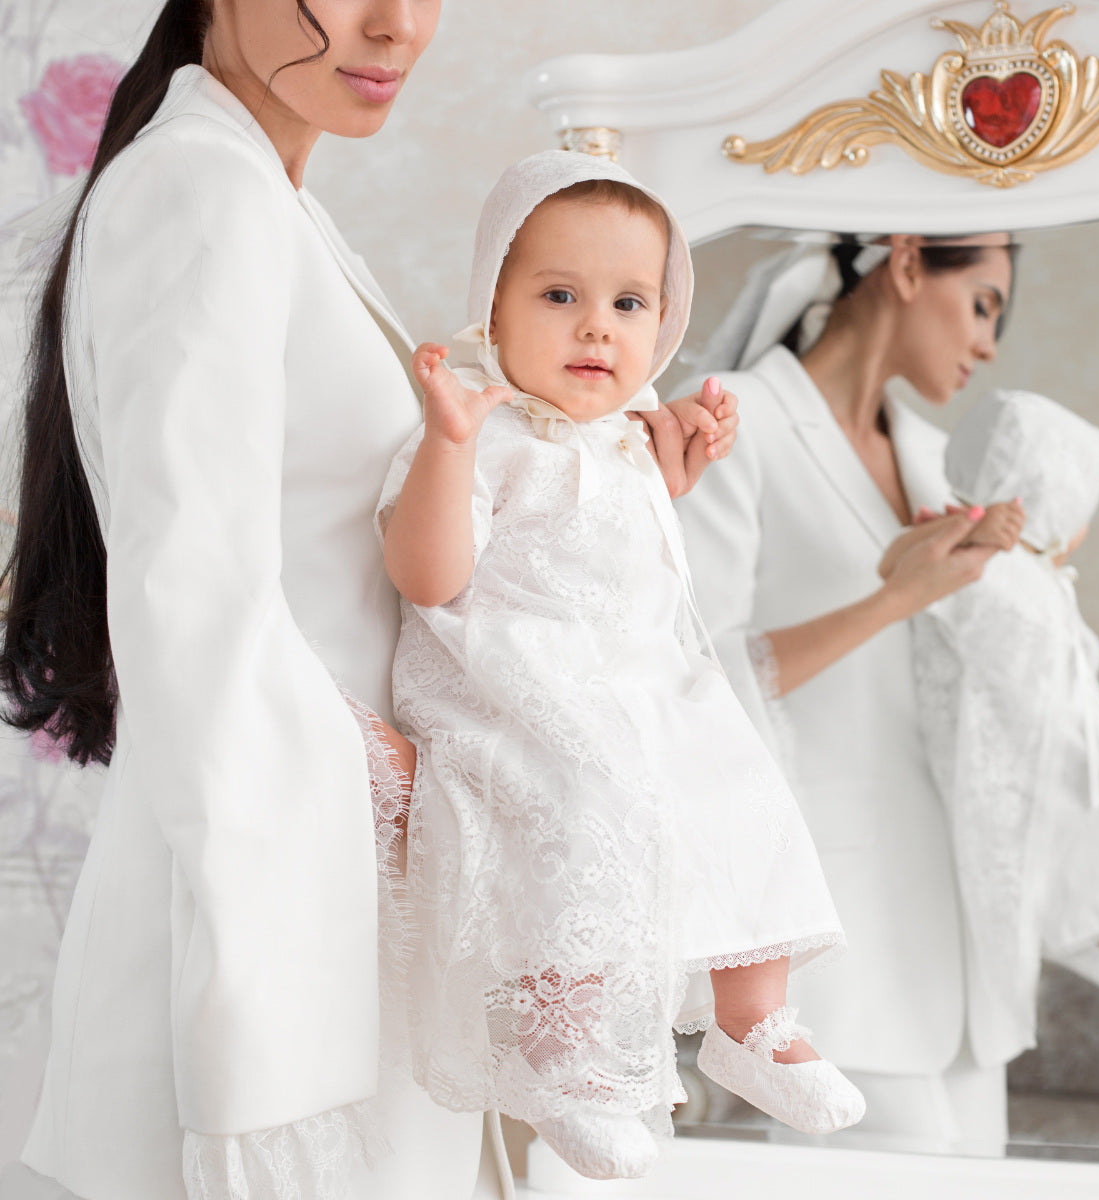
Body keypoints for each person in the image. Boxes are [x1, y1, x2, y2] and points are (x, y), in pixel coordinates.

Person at [0, 4, 735, 1197]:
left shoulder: (268, 198)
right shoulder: (204, 190)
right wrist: (398, 776)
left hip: (345, 874)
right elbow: (188, 586)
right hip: (286, 874)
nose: (396, 25)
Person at [376, 150, 864, 1183]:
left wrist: (678, 469)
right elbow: (428, 576)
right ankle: (564, 1060)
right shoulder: (483, 432)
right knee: (586, 798)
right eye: (560, 295)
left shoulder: (627, 447)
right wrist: (448, 445)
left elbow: (622, 550)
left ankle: (752, 1019)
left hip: (638, 680)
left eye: (631, 301)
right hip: (516, 688)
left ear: (665, 322)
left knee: (740, 778)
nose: (598, 325)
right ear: (492, 309)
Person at [674, 234, 1022, 1156]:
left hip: (949, 933)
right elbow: (691, 678)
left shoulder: (936, 463)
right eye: (983, 302)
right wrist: (896, 598)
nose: (988, 343)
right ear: (906, 263)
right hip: (828, 916)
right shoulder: (733, 418)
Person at [889, 389, 1099, 1042]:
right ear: (1046, 500)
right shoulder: (982, 562)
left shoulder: (1033, 574)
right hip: (1027, 738)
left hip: (1062, 733)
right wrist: (965, 532)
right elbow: (902, 571)